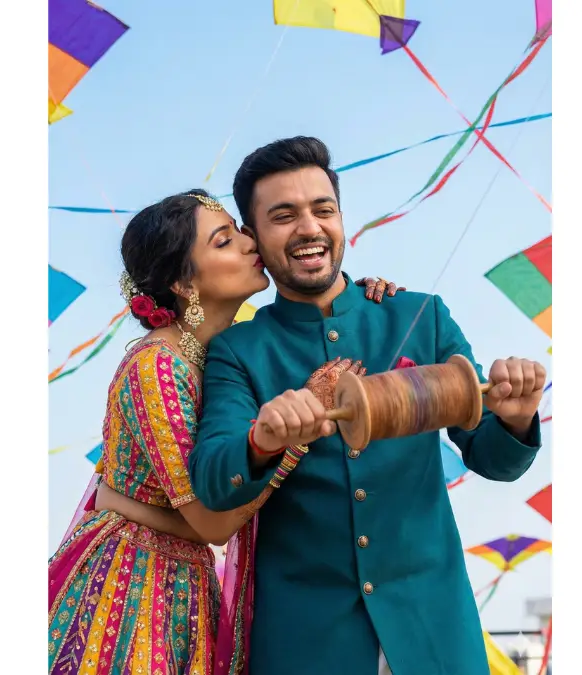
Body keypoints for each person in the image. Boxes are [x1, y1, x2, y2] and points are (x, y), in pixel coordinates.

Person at [187, 137, 547, 675]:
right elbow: (214, 481)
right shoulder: (238, 351)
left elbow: (493, 459)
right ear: (254, 236)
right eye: (283, 216)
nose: (308, 227)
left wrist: (516, 418)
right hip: (305, 645)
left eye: (322, 209)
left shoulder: (419, 316)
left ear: (340, 219)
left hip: (436, 634)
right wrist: (264, 440)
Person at [47, 187, 406, 675]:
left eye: (238, 230)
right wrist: (298, 433)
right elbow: (211, 523)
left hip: (189, 586)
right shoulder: (156, 366)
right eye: (223, 241)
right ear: (184, 283)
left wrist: (356, 295)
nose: (247, 242)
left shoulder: (228, 355)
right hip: (130, 589)